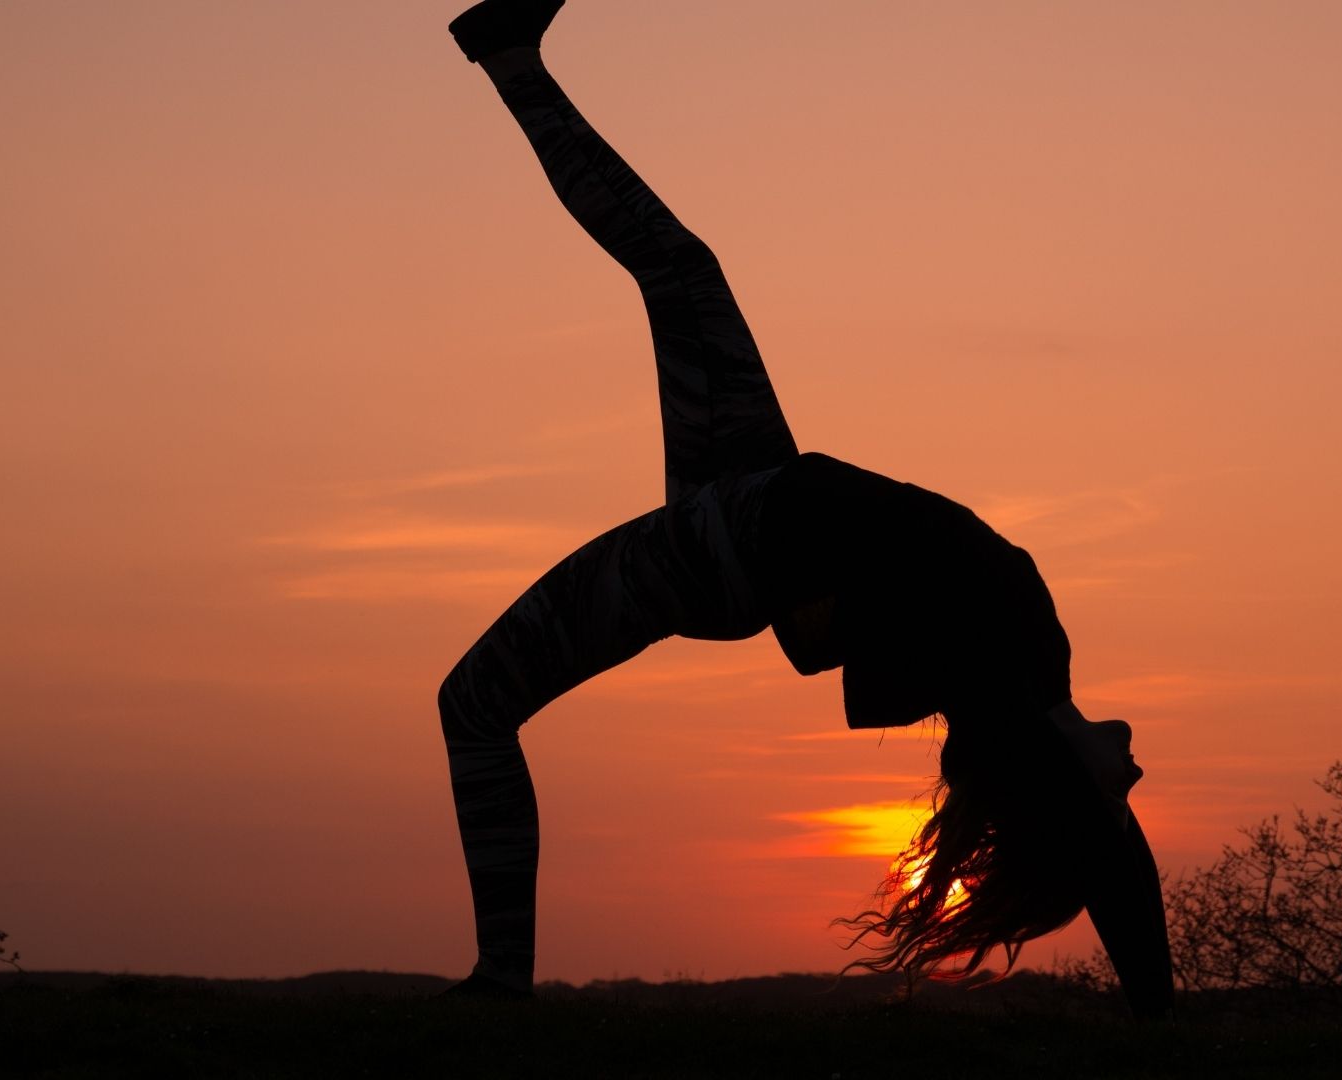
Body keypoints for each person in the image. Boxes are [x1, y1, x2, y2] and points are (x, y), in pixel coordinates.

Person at [438, 0, 1173, 1016]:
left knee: (473, 705)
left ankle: (501, 984)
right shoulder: (1034, 656)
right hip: (755, 491)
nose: (1137, 766)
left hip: (723, 545)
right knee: (683, 270)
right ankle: (509, 52)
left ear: (1066, 787)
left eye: (1120, 784)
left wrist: (1155, 1008)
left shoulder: (1011, 690)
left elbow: (1113, 863)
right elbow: (822, 640)